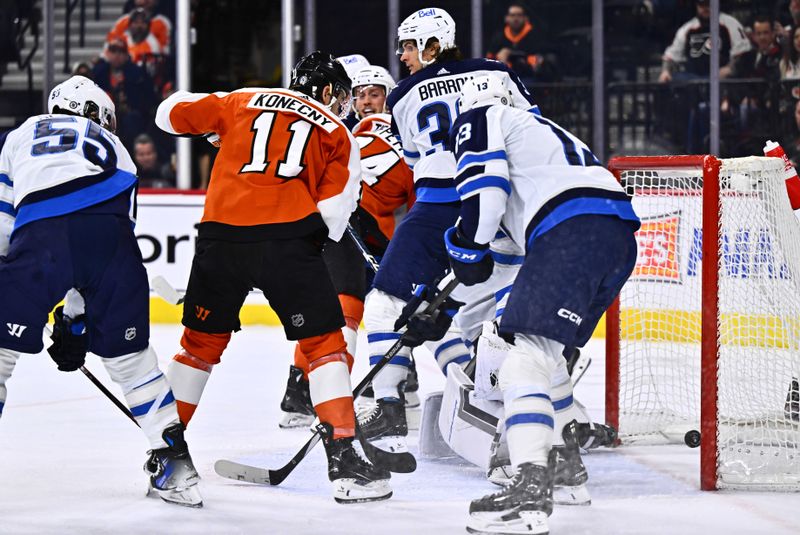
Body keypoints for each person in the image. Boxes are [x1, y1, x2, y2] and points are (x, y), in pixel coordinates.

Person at [155, 51, 392, 503]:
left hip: (220, 237)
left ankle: (165, 452)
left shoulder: (241, 99)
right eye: (340, 95)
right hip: (288, 241)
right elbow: (335, 218)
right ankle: (344, 461)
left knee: (199, 346)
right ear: (325, 91)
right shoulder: (337, 131)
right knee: (325, 346)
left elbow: (168, 113)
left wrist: (215, 125)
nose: (342, 105)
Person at [442, 74, 640, 534]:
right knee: (547, 355)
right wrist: (473, 254)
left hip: (570, 231)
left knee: (522, 360)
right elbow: (509, 248)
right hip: (614, 236)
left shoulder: (483, 116)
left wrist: (464, 245)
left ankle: (531, 485)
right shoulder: (543, 136)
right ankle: (566, 468)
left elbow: (484, 201)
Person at [0, 75, 201, 507]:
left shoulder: (21, 133)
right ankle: (176, 465)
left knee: (0, 352)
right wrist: (75, 322)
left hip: (42, 234)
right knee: (133, 362)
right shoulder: (118, 149)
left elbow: (6, 222)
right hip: (111, 243)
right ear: (93, 112)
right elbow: (103, 244)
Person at [357, 6, 539, 457]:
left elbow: (420, 168)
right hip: (501, 208)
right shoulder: (497, 72)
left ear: (433, 43)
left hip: (437, 208)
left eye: (409, 45)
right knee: (477, 317)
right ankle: (531, 403)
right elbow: (531, 131)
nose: (402, 55)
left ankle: (389, 404)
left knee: (386, 303)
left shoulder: (400, 96)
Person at [278, 65, 417, 430]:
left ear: (390, 97)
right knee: (352, 306)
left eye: (374, 93)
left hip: (356, 226)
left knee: (376, 305)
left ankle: (307, 389)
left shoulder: (352, 131)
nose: (365, 101)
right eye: (359, 95)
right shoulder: (373, 132)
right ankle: (319, 393)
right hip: (351, 221)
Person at [658, 0, 751, 83]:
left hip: (722, 78)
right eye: (702, 4)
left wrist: (730, 68)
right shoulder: (687, 28)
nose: (705, 8)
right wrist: (665, 71)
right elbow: (671, 55)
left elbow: (742, 52)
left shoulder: (730, 23)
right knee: (675, 79)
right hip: (694, 78)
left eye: (708, 4)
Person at [91, 37, 157, 151]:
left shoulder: (138, 73)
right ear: (107, 53)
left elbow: (149, 99)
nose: (117, 55)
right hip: (104, 117)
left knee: (132, 121)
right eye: (113, 51)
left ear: (127, 54)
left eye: (121, 52)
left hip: (131, 118)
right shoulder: (99, 72)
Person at [485, 2, 556, 82]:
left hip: (530, 79)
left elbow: (542, 57)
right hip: (505, 78)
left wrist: (512, 54)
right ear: (506, 18)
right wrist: (499, 59)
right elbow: (489, 59)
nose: (516, 19)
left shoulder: (536, 34)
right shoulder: (499, 37)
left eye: (519, 15)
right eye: (512, 15)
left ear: (526, 18)